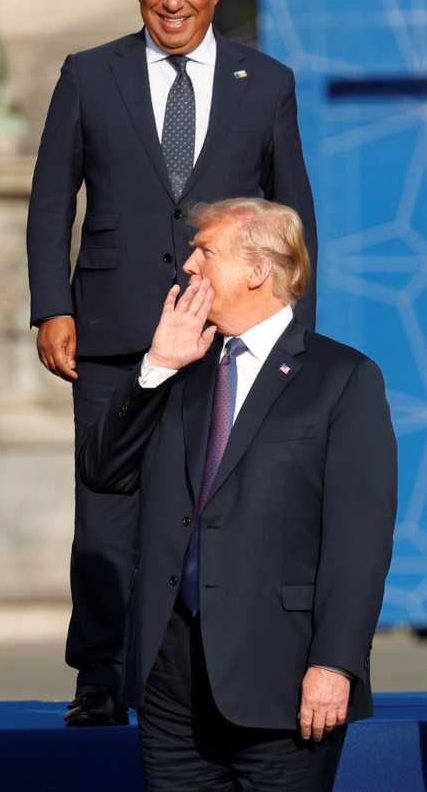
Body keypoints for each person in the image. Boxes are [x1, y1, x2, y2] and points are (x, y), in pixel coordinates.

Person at [25, 0, 319, 726]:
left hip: (231, 333)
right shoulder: (90, 75)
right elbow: (53, 200)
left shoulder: (267, 81)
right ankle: (100, 670)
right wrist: (51, 305)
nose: (175, 0)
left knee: (234, 496)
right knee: (107, 498)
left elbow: (293, 214)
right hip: (114, 333)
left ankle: (231, 662)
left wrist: (294, 333)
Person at [78, 198, 394, 790]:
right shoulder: (180, 368)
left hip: (284, 677)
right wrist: (154, 367)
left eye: (206, 252)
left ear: (257, 271)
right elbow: (103, 472)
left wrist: (334, 663)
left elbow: (360, 543)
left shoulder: (342, 379)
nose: (189, 267)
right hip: (170, 682)